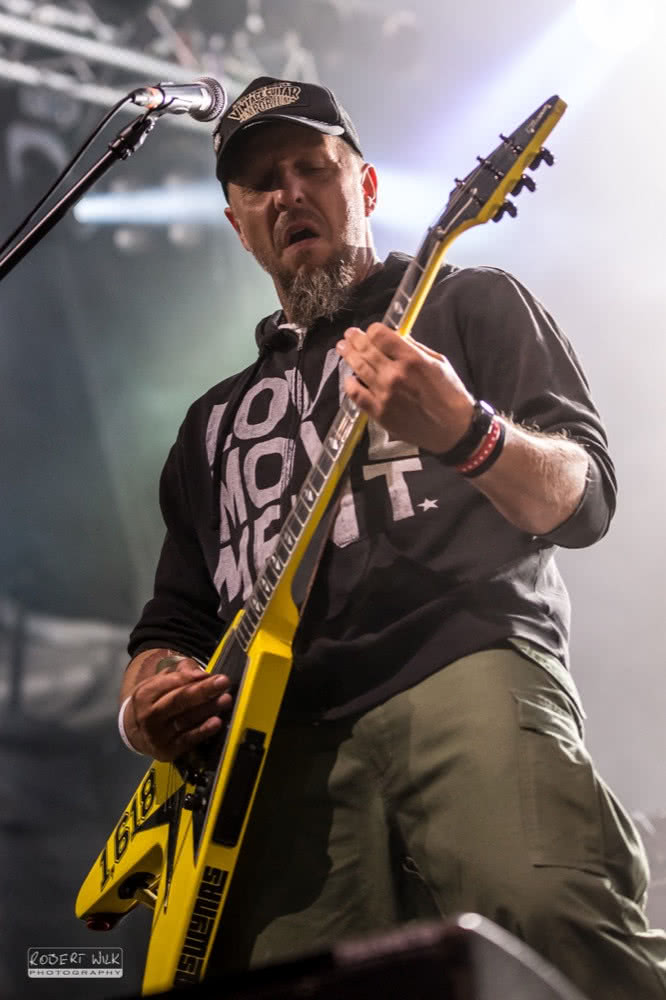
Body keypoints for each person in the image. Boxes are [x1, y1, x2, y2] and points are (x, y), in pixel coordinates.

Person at [118, 76, 666, 997]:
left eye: (312, 167)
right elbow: (172, 622)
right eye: (262, 183)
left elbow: (586, 499)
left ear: (365, 186)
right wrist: (144, 706)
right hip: (273, 750)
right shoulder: (208, 425)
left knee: (554, 924)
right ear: (238, 225)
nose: (290, 193)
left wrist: (468, 432)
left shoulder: (467, 303)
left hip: (460, 664)